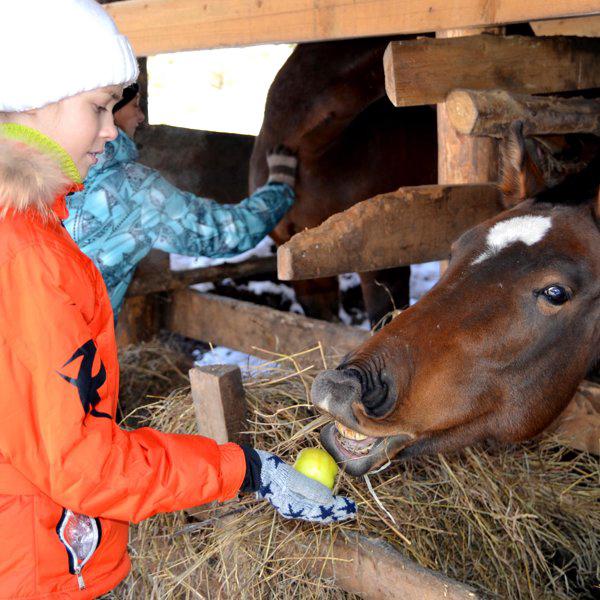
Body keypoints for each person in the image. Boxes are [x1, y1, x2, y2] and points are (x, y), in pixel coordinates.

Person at [0, 2, 356, 599]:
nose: (115, 126)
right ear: (35, 103)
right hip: (39, 561)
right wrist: (247, 471)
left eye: (119, 106)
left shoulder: (37, 218)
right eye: (100, 106)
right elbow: (82, 466)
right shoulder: (36, 249)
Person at [65, 81, 297, 319]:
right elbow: (226, 234)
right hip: (78, 345)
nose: (141, 116)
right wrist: (279, 187)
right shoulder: (135, 189)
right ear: (111, 109)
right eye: (135, 105)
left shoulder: (50, 166)